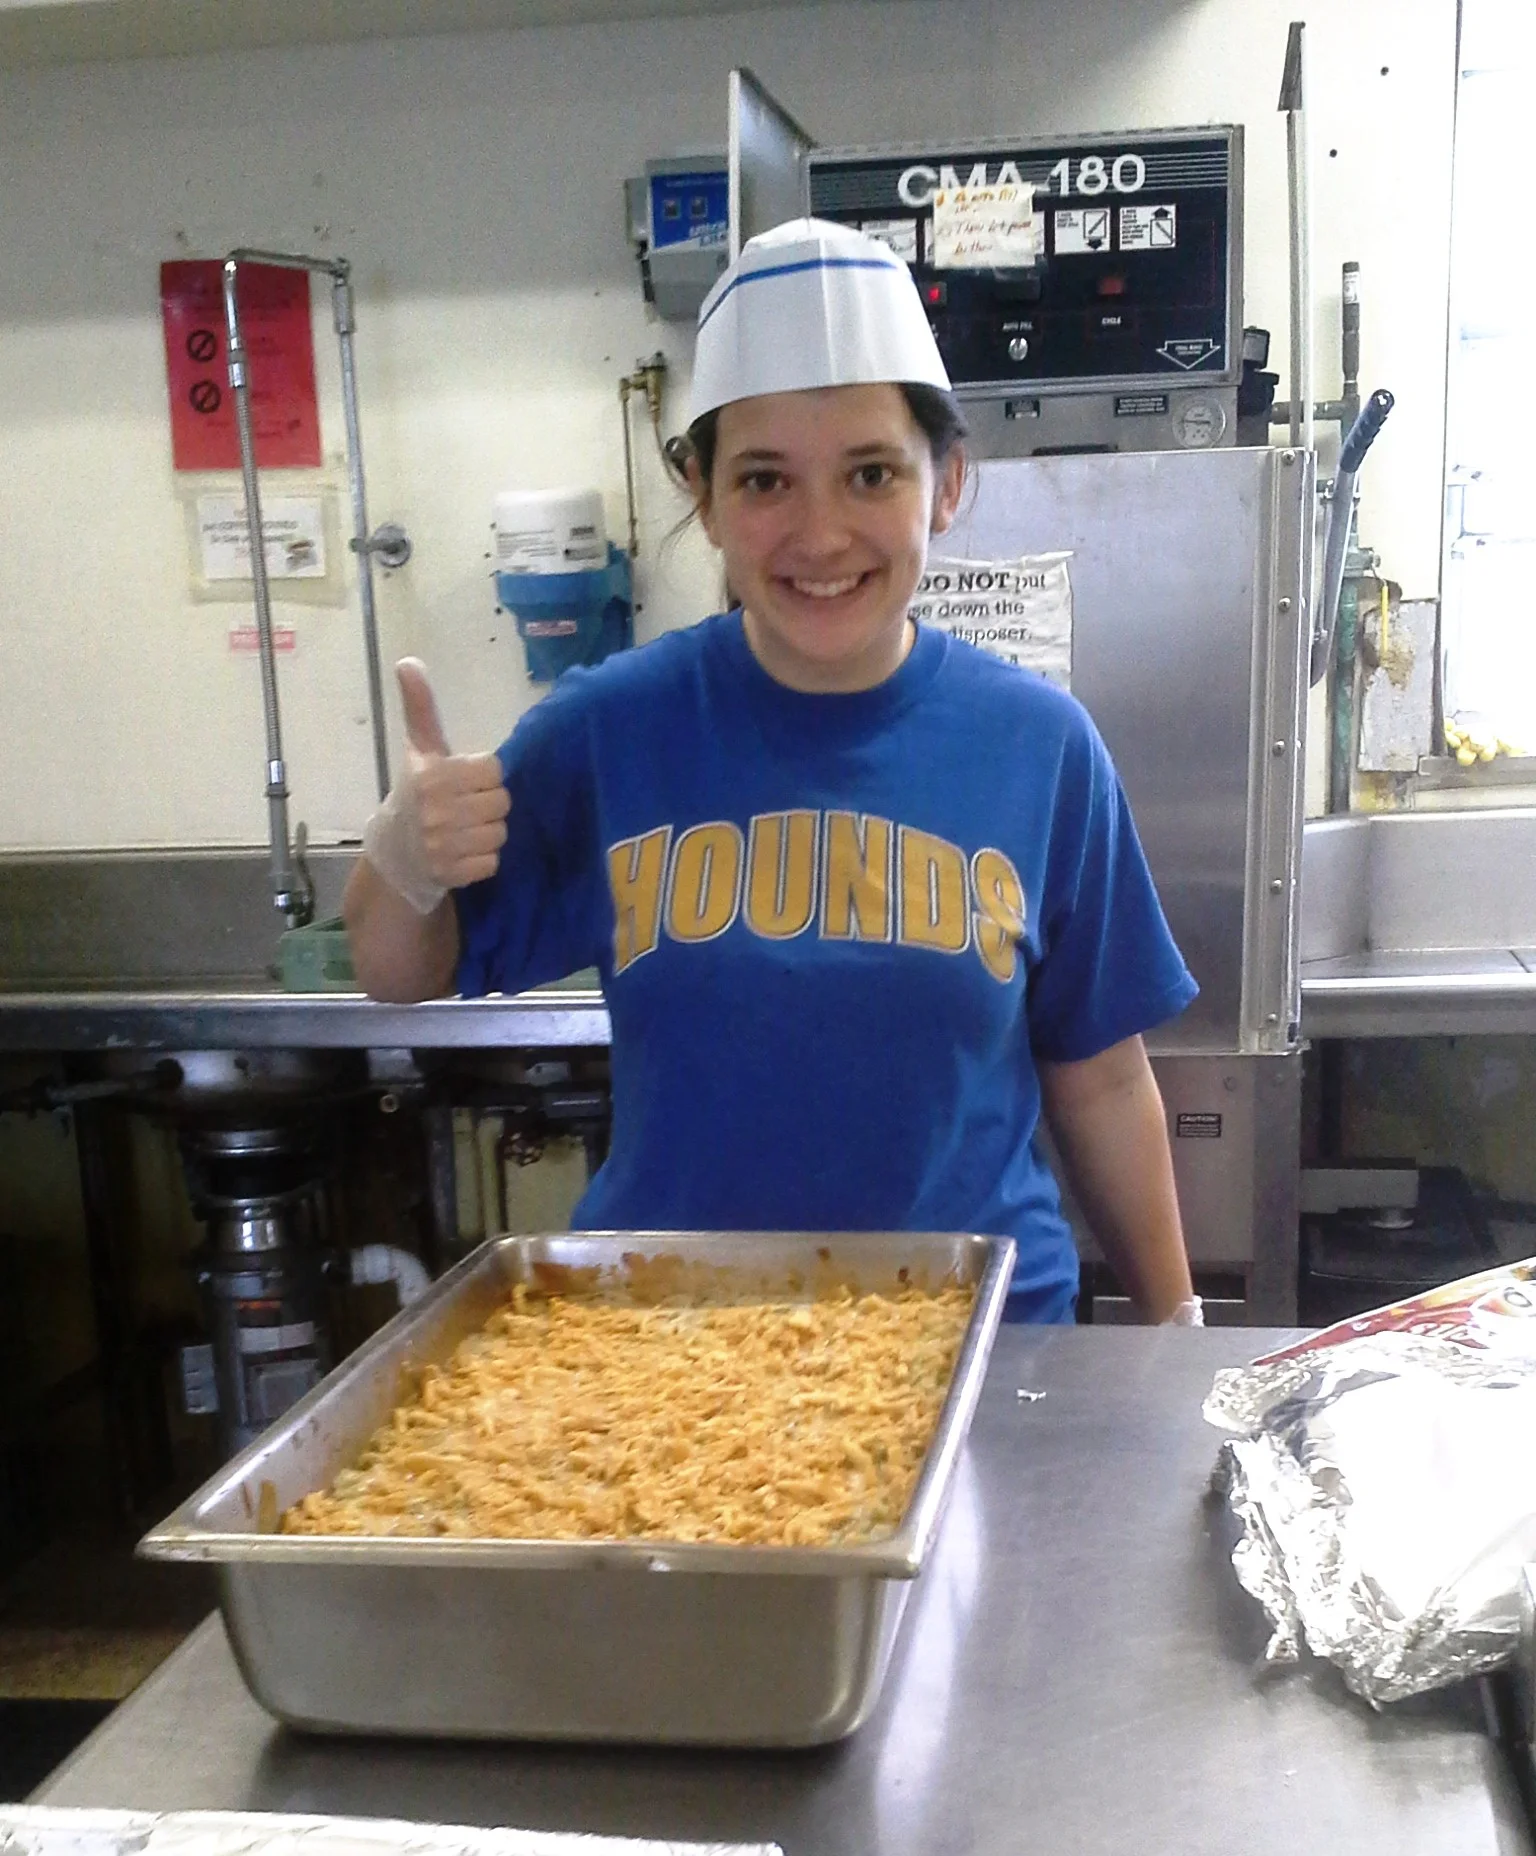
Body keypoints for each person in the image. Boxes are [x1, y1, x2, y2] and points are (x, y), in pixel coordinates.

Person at [344, 218, 1201, 1326]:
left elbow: (1103, 1073)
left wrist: (1173, 1321)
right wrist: (404, 857)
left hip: (976, 1350)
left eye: (871, 472)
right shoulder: (612, 728)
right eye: (764, 480)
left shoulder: (1042, 747)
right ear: (702, 495)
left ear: (945, 485)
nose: (821, 531)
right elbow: (395, 966)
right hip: (679, 1346)